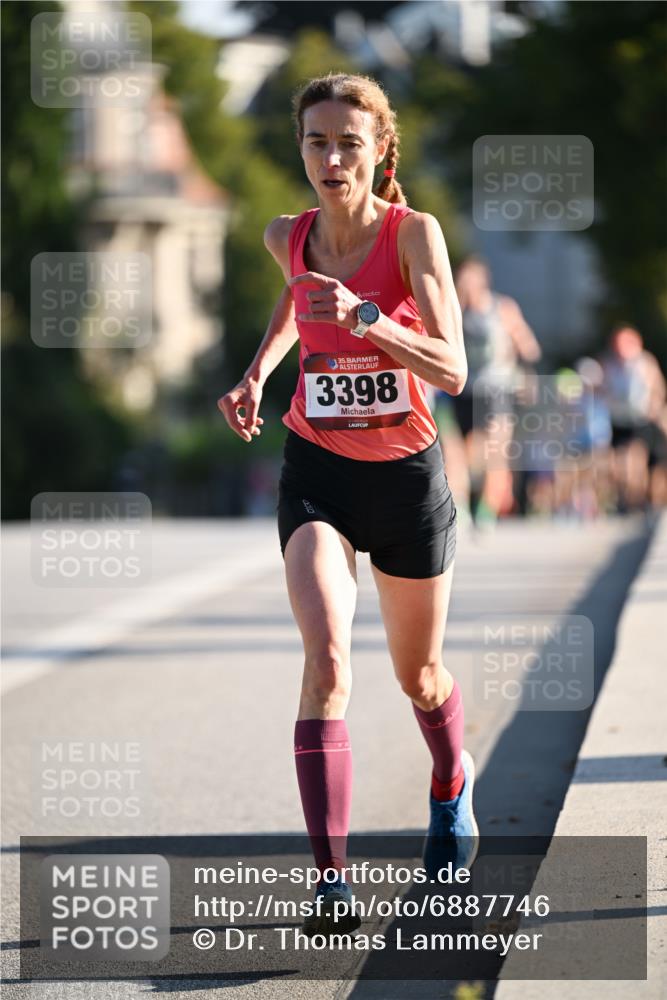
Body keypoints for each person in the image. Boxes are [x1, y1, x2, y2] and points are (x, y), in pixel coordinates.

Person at [218, 72, 477, 937]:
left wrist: (368, 320)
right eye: (315, 142)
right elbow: (298, 302)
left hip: (405, 479)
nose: (330, 159)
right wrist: (258, 372)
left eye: (348, 143)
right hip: (316, 472)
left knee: (419, 676)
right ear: (301, 150)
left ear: (379, 152)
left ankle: (449, 783)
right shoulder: (283, 234)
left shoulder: (414, 236)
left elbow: (452, 368)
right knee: (327, 664)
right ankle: (330, 882)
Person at [445, 255, 541, 529]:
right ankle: (461, 506)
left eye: (472, 279)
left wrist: (524, 370)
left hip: (498, 388)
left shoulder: (502, 308)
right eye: (462, 279)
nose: (467, 284)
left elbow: (529, 347)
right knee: (460, 453)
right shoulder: (455, 308)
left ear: (483, 280)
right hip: (463, 389)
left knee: (496, 450)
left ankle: (487, 510)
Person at [599, 324, 667, 512]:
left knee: (636, 459)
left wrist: (654, 407)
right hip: (619, 419)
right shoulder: (609, 364)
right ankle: (625, 497)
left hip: (640, 418)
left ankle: (638, 498)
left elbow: (657, 387)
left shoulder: (644, 362)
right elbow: (602, 389)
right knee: (618, 463)